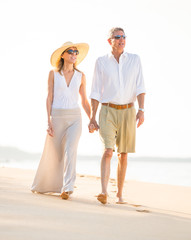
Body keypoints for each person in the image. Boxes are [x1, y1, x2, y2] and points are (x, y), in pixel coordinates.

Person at [89, 27, 146, 204]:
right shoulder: (101, 62)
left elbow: (140, 87)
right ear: (110, 41)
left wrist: (141, 110)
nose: (121, 39)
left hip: (129, 111)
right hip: (107, 110)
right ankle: (104, 191)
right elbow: (96, 91)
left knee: (123, 154)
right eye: (117, 37)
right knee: (108, 151)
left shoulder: (135, 60)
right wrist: (92, 117)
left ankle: (119, 194)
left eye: (123, 37)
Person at [31, 41, 91, 200]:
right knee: (55, 155)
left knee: (71, 150)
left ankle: (68, 187)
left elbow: (84, 100)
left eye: (76, 52)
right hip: (57, 117)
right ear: (63, 55)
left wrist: (92, 119)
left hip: (75, 118)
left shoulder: (81, 76)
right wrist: (48, 120)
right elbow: (49, 97)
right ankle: (47, 185)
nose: (74, 54)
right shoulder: (53, 74)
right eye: (71, 51)